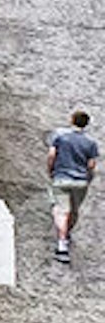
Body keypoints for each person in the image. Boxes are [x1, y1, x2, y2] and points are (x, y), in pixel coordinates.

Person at [53, 111, 100, 266]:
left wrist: (51, 171)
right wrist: (88, 178)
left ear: (72, 120)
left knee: (61, 210)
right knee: (73, 210)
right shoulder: (90, 143)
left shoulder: (60, 136)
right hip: (80, 182)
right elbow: (91, 165)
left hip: (61, 177)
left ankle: (61, 243)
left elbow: (51, 155)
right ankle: (67, 233)